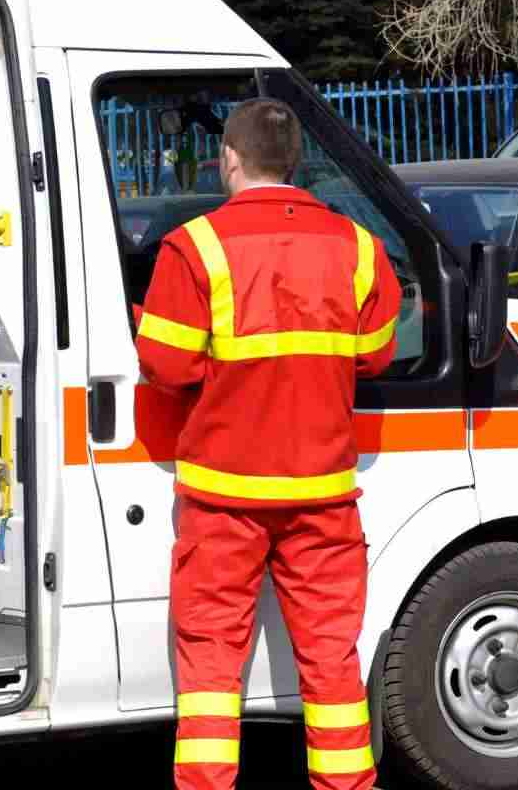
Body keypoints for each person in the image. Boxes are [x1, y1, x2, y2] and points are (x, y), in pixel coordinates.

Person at [135, 98, 401, 790]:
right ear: (296, 164)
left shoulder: (193, 247)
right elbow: (375, 353)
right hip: (322, 494)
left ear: (229, 159)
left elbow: (165, 365)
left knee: (211, 670)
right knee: (331, 662)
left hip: (224, 497)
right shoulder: (359, 247)